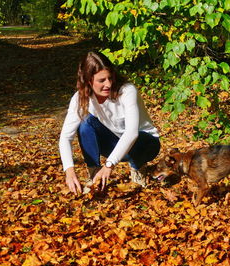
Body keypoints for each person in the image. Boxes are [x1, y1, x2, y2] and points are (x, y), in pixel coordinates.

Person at [59, 51, 160, 194]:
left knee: (137, 136)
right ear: (88, 80)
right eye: (101, 80)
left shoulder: (127, 91)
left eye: (110, 78)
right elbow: (65, 137)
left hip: (145, 144)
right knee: (85, 123)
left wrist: (109, 165)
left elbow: (131, 133)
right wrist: (69, 171)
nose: (108, 84)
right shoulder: (80, 98)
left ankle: (138, 169)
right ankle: (95, 174)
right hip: (114, 144)